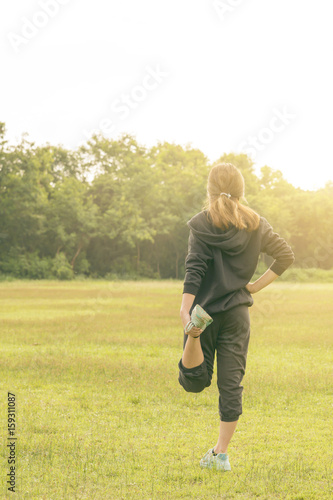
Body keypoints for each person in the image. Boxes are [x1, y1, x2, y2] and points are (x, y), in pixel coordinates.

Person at [178, 162, 295, 471]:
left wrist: (185, 309)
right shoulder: (257, 223)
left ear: (209, 190)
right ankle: (221, 454)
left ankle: (193, 336)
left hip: (204, 314)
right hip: (238, 315)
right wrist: (253, 286)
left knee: (193, 382)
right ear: (243, 191)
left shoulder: (201, 224)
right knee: (231, 385)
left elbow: (195, 268)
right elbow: (286, 255)